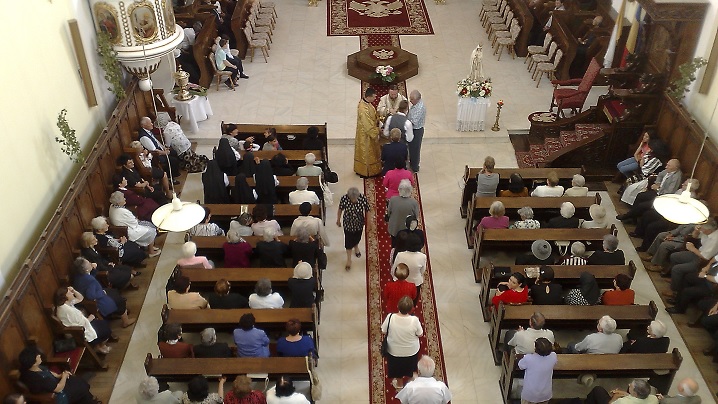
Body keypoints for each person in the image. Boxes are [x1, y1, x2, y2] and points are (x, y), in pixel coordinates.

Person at [18, 346, 97, 404]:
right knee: (81, 387)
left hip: (55, 384)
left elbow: (50, 372)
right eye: (37, 356)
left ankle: (90, 400)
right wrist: (64, 376)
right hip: (56, 397)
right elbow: (58, 389)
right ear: (33, 362)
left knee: (78, 382)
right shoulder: (37, 378)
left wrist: (60, 375)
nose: (39, 356)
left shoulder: (33, 368)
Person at [72, 257, 136, 327]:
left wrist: (93, 269)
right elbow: (91, 295)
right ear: (86, 269)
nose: (91, 263)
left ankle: (121, 312)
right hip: (97, 302)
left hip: (93, 295)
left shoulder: (79, 276)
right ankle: (125, 321)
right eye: (89, 263)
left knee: (114, 292)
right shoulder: (90, 281)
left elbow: (90, 277)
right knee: (119, 300)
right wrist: (102, 293)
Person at [53, 287, 113, 355]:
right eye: (70, 293)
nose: (72, 293)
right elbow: (80, 324)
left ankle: (100, 345)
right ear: (65, 296)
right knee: (106, 329)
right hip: (78, 333)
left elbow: (80, 298)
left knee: (103, 323)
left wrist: (74, 290)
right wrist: (90, 318)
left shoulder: (66, 303)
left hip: (82, 325)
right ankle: (99, 346)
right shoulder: (67, 310)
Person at [382, 296, 424, 390]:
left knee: (397, 369)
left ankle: (399, 385)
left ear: (398, 306)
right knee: (410, 367)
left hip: (394, 351)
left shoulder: (390, 317)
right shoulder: (415, 320)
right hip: (411, 351)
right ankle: (411, 382)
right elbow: (420, 334)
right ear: (411, 309)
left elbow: (384, 331)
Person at [109, 191, 161, 257]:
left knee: (149, 224)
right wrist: (136, 219)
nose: (125, 199)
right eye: (123, 198)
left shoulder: (112, 206)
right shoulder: (122, 211)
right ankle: (151, 251)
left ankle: (150, 246)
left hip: (125, 227)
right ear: (119, 202)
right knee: (151, 230)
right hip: (128, 230)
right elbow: (134, 222)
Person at [337, 187, 370, 270]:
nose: (354, 200)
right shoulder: (344, 198)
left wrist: (368, 222)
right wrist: (338, 219)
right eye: (352, 199)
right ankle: (349, 260)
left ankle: (356, 246)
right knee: (348, 241)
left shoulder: (363, 198)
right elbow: (340, 209)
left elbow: (368, 210)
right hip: (348, 224)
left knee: (357, 237)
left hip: (359, 223)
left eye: (355, 199)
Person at [518, 338, 557, 404]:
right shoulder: (553, 356)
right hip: (545, 393)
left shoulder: (528, 358)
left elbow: (520, 366)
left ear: (535, 349)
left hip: (530, 393)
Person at [354, 87, 382, 177]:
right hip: (365, 135)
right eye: (374, 97)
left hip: (368, 131)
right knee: (367, 153)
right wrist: (377, 130)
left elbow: (373, 114)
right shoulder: (363, 109)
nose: (375, 98)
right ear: (368, 97)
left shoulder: (368, 104)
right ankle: (366, 172)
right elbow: (368, 126)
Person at [393, 234, 427, 301]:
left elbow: (395, 268)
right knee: (413, 299)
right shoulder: (422, 256)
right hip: (415, 282)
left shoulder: (400, 255)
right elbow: (422, 271)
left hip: (400, 279)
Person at [387, 180, 419, 245]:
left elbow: (388, 213)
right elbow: (416, 216)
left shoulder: (393, 199)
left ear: (399, 189)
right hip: (407, 229)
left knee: (394, 244)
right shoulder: (414, 203)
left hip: (394, 227)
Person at [585, 378, 657, 404]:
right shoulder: (654, 399)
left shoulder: (622, 402)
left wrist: (614, 397)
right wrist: (624, 393)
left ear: (635, 393)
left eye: (631, 385)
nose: (629, 384)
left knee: (597, 390)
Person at [406, 90, 425, 173]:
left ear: (417, 99)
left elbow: (414, 121)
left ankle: (414, 167)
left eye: (411, 99)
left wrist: (405, 121)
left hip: (416, 130)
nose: (410, 101)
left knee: (415, 149)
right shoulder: (416, 104)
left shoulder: (419, 108)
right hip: (413, 129)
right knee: (411, 147)